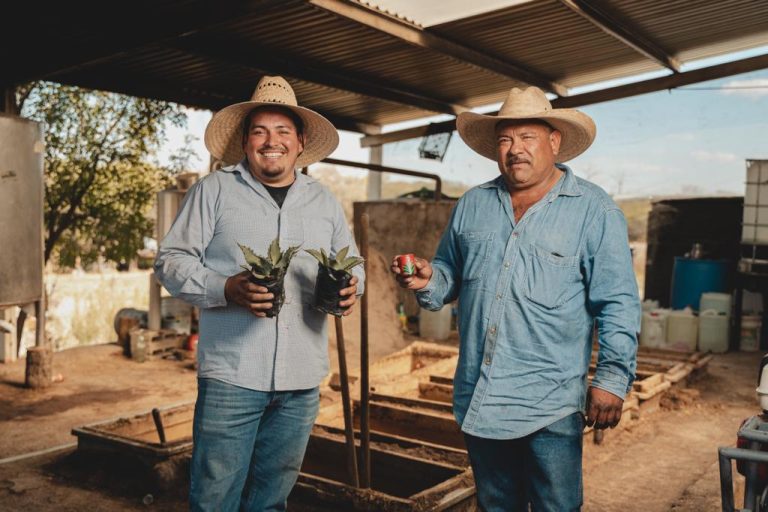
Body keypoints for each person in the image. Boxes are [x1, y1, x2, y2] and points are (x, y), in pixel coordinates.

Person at [391, 86, 639, 511]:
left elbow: (617, 301)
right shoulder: (473, 204)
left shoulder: (594, 210)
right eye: (505, 139)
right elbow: (449, 275)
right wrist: (428, 280)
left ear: (554, 142)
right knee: (496, 506)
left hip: (550, 402)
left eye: (527, 138)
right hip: (481, 395)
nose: (515, 150)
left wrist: (612, 379)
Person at [155, 75, 365, 511]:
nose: (272, 142)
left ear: (300, 142)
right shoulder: (214, 191)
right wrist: (226, 287)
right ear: (245, 142)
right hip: (232, 377)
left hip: (301, 380)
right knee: (214, 499)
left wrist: (351, 287)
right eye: (260, 131)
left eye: (283, 131)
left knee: (271, 501)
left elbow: (352, 262)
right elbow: (170, 261)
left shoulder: (323, 201)